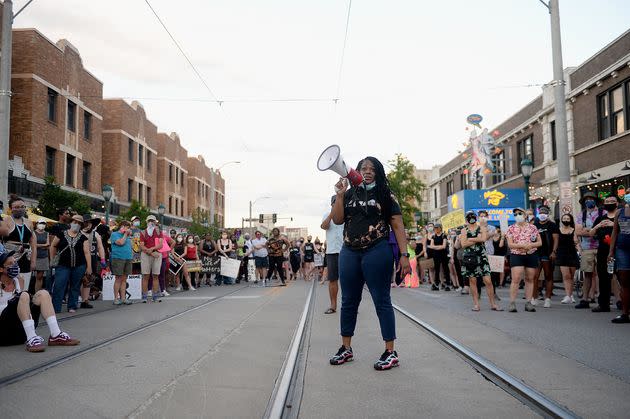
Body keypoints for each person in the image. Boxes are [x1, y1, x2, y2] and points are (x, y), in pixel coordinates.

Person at [328, 156, 410, 371]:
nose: (367, 171)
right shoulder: (349, 193)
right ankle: (346, 348)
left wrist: (404, 255)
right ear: (357, 171)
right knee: (348, 302)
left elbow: (398, 225)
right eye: (363, 168)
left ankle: (390, 352)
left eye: (372, 169)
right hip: (349, 252)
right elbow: (337, 220)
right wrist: (338, 196)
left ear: (378, 172)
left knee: (381, 300)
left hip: (377, 250)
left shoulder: (385, 194)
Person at [0, 250, 79, 351]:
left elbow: (23, 304)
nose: (14, 266)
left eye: (15, 263)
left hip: (20, 331)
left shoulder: (19, 280)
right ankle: (32, 337)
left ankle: (55, 334)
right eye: (10, 264)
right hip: (4, 331)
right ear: (1, 269)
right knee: (23, 295)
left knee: (43, 294)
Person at [49, 215, 92, 313]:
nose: (76, 225)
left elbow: (87, 252)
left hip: (79, 265)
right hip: (63, 265)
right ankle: (56, 307)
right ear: (71, 223)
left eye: (79, 223)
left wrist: (89, 267)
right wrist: (52, 259)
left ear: (81, 225)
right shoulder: (61, 234)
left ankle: (72, 306)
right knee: (59, 285)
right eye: (75, 222)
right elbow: (53, 246)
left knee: (75, 286)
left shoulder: (83, 238)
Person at [460, 211, 501, 311]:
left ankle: (493, 304)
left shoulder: (481, 227)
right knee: (472, 281)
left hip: (482, 256)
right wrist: (476, 238)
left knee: (488, 281)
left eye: (473, 216)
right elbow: (463, 244)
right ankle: (476, 304)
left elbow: (483, 239)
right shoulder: (464, 230)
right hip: (470, 258)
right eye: (469, 217)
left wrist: (470, 239)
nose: (471, 218)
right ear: (466, 219)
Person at [506, 207, 542, 313]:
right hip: (517, 255)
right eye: (515, 214)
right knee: (516, 278)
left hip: (531, 254)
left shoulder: (533, 228)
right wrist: (521, 246)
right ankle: (512, 303)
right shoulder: (511, 228)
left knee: (530, 278)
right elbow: (510, 244)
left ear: (525, 215)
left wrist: (530, 245)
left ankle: (528, 302)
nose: (518, 215)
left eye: (520, 213)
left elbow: (539, 242)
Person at [589, 196, 620, 313]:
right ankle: (604, 304)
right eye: (607, 202)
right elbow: (591, 233)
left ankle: (622, 302)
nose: (609, 203)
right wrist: (598, 226)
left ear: (617, 204)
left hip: (618, 250)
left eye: (612, 202)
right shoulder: (600, 218)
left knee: (620, 277)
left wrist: (613, 225)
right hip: (603, 251)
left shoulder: (621, 217)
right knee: (603, 277)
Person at [2, 195, 37, 292]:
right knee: (10, 283)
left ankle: (23, 302)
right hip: (10, 256)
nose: (20, 209)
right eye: (16, 207)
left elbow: (33, 244)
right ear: (10, 208)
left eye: (22, 207)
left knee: (24, 285)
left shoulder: (29, 222)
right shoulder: (5, 221)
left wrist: (33, 261)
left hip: (26, 256)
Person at [575, 192, 604, 309]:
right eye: (587, 199)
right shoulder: (581, 215)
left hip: (602, 247)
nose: (589, 201)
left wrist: (588, 230)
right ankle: (585, 299)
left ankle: (608, 298)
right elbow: (578, 232)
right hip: (587, 248)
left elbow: (606, 228)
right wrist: (594, 230)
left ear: (595, 200)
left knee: (605, 275)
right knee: (587, 274)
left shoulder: (603, 213)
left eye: (591, 199)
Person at [608, 193, 630, 323]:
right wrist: (611, 252)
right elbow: (615, 232)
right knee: (624, 281)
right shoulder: (619, 212)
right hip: (622, 249)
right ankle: (625, 313)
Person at [534, 205, 559, 308]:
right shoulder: (535, 225)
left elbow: (556, 239)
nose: (542, 214)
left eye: (544, 213)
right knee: (534, 276)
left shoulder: (552, 225)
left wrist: (554, 251)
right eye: (540, 213)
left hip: (547, 253)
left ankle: (547, 298)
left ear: (548, 214)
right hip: (535, 253)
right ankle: (534, 297)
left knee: (548, 276)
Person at [322, 196, 344, 313]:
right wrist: (331, 214)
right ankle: (333, 305)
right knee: (332, 279)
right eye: (335, 203)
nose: (337, 205)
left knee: (348, 280)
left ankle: (350, 305)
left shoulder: (347, 215)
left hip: (346, 251)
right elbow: (324, 226)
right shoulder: (327, 215)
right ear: (331, 204)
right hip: (331, 252)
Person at [553, 213, 580, 304]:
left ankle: (571, 295)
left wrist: (580, 252)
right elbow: (555, 242)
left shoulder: (574, 230)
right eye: (564, 218)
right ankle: (567, 295)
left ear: (571, 220)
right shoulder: (558, 230)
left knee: (571, 276)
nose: (566, 220)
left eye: (568, 218)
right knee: (566, 276)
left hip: (572, 254)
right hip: (561, 254)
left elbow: (576, 243)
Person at [81, 215, 106, 308]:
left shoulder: (96, 234)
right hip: (80, 260)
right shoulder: (79, 233)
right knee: (78, 280)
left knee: (88, 280)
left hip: (92, 259)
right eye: (86, 223)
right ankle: (76, 298)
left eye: (90, 223)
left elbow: (100, 247)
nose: (88, 225)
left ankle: (85, 300)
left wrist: (103, 260)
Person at [139, 215, 163, 302]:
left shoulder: (158, 231)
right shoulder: (143, 232)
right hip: (146, 254)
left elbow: (160, 245)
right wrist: (151, 252)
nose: (151, 222)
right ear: (147, 222)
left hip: (156, 253)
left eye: (152, 221)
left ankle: (155, 295)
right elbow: (141, 245)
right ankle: (144, 296)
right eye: (149, 221)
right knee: (146, 275)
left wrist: (152, 249)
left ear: (155, 222)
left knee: (155, 275)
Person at [110, 220, 133, 305]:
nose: (128, 229)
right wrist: (125, 234)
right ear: (122, 226)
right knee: (118, 279)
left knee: (124, 279)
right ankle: (116, 298)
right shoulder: (114, 234)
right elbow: (120, 243)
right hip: (118, 258)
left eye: (129, 228)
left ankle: (123, 298)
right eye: (127, 227)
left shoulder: (127, 236)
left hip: (128, 258)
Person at [427, 223, 451, 291]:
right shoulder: (433, 236)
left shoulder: (444, 235)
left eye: (437, 228)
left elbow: (443, 246)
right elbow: (431, 246)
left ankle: (447, 284)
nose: (436, 229)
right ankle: (436, 284)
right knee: (436, 270)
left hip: (443, 254)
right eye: (435, 228)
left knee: (445, 269)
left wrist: (435, 247)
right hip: (436, 255)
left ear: (440, 228)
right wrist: (438, 247)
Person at [33, 219, 50, 293]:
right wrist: (42, 245)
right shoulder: (33, 233)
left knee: (40, 277)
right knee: (29, 275)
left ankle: (37, 294)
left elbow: (48, 245)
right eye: (40, 223)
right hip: (33, 256)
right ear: (37, 224)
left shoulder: (47, 233)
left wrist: (36, 245)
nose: (42, 225)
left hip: (43, 257)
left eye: (43, 223)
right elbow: (32, 244)